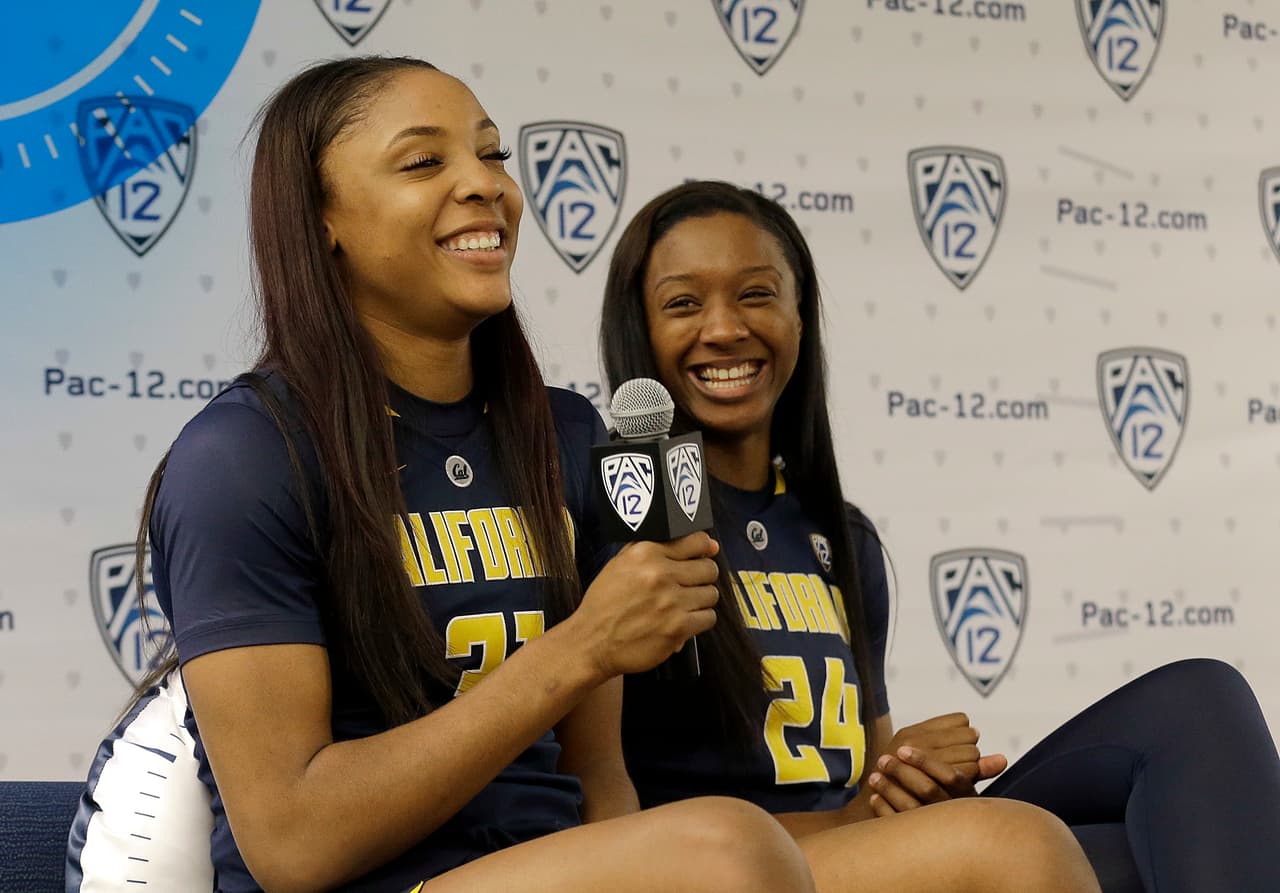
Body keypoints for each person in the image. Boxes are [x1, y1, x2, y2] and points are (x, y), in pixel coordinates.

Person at [67, 59, 825, 893]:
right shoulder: (244, 456)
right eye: (424, 161)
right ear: (322, 218)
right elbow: (291, 843)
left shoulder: (568, 435)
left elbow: (600, 779)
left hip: (552, 869)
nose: (485, 184)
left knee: (931, 845)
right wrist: (579, 647)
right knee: (729, 849)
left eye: (493, 154)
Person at [600, 179, 1280, 893]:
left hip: (851, 854)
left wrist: (910, 778)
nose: (723, 328)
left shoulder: (840, 536)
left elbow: (869, 781)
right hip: (722, 872)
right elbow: (610, 812)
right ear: (638, 329)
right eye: (684, 303)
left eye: (756, 294)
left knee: (1191, 721)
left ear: (800, 318)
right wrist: (860, 816)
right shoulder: (621, 525)